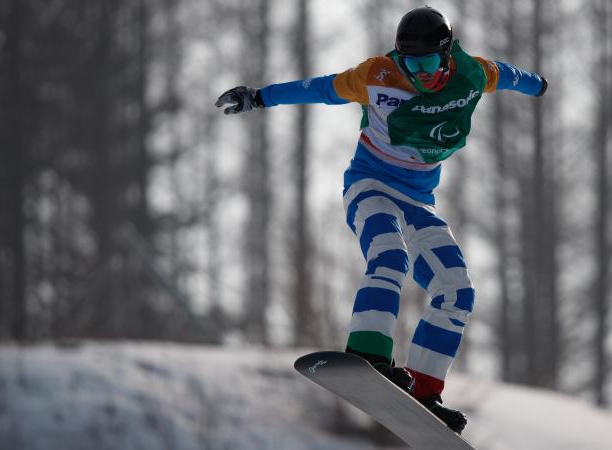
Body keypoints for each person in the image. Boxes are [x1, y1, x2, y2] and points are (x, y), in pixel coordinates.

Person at [216, 5, 547, 434]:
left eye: (428, 62)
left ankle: (425, 392)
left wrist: (539, 85)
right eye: (411, 62)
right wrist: (259, 96)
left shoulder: (473, 75)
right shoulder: (377, 76)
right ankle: (368, 354)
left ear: (446, 56)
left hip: (418, 202)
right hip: (369, 187)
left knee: (456, 290)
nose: (420, 72)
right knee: (390, 257)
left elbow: (510, 74)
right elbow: (317, 88)